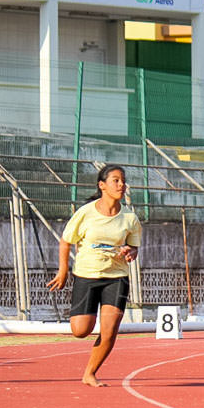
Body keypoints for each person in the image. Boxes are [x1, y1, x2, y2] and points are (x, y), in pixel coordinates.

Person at [47, 165, 141, 387]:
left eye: (123, 181)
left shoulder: (130, 217)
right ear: (102, 186)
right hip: (87, 275)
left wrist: (131, 252)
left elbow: (134, 247)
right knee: (81, 331)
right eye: (115, 181)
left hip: (116, 277)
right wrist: (63, 271)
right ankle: (88, 318)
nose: (121, 185)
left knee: (109, 331)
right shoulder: (86, 213)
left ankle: (90, 373)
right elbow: (66, 240)